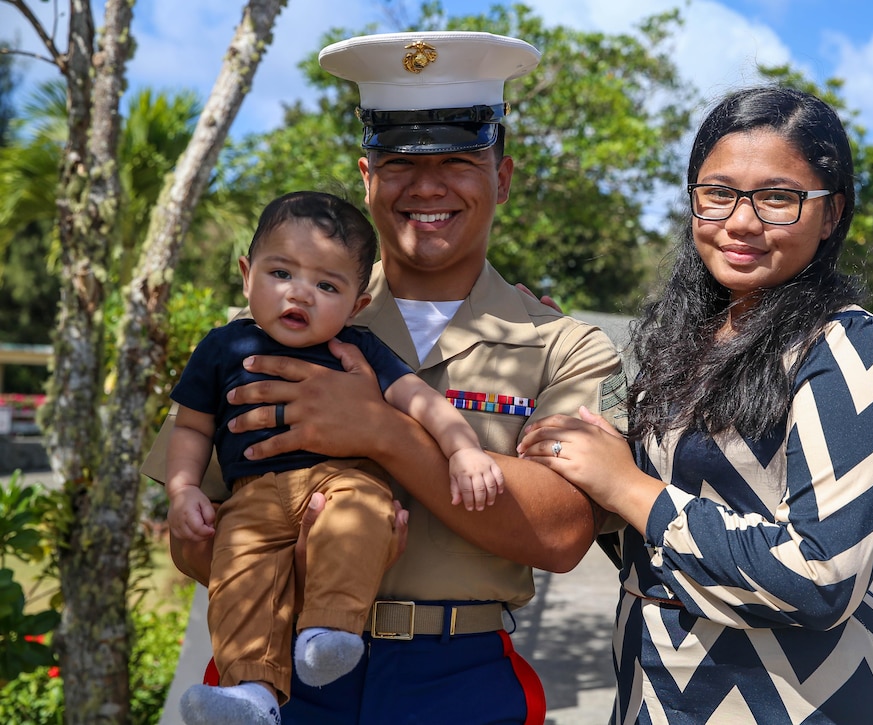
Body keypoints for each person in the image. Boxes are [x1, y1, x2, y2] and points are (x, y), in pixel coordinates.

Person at [141, 30, 625, 725]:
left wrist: (381, 432)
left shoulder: (564, 346)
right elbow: (190, 537)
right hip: (280, 676)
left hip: (457, 676)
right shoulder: (271, 329)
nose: (426, 185)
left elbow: (559, 533)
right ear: (367, 178)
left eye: (458, 159)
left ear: (504, 177)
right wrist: (297, 553)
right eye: (399, 161)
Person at [518, 86, 873, 724]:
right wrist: (538, 356)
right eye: (719, 193)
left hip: (800, 703)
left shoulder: (851, 350)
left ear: (832, 212)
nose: (741, 221)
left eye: (778, 198)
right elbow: (651, 545)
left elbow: (824, 577)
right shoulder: (684, 347)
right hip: (655, 690)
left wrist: (632, 489)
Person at [165, 190, 508, 724]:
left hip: (340, 481)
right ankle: (251, 693)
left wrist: (464, 450)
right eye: (280, 273)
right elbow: (192, 426)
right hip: (250, 498)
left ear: (356, 303)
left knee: (359, 521)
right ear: (246, 273)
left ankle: (330, 632)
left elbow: (423, 403)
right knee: (242, 574)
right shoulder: (221, 347)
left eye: (326, 285)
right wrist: (183, 489)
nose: (299, 294)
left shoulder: (359, 347)